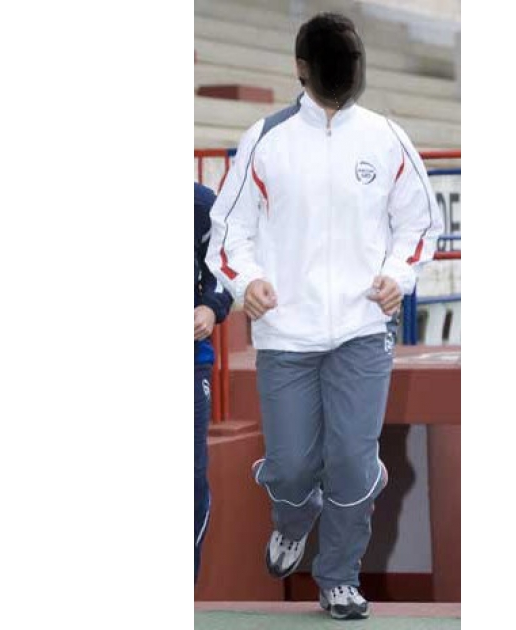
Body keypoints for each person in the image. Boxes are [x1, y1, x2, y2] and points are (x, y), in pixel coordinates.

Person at [205, 12, 443, 620]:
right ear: (301, 69)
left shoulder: (386, 138)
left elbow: (420, 224)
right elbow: (228, 232)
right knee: (290, 468)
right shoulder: (266, 140)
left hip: (362, 331)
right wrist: (247, 282)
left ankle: (339, 578)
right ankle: (293, 515)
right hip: (286, 335)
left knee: (352, 464)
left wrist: (398, 274)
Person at [195, 181, 232, 583]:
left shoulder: (201, 204)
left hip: (191, 362)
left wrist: (209, 306)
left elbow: (223, 264)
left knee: (190, 476)